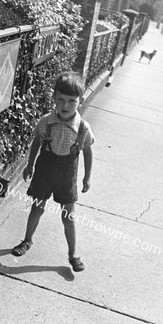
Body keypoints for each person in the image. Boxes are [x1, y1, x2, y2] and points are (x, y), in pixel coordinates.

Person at [11, 72, 95, 272]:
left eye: (71, 101)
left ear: (80, 101)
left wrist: (87, 177)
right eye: (60, 100)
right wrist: (29, 165)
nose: (65, 106)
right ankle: (27, 241)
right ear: (54, 98)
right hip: (45, 171)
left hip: (67, 175)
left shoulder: (83, 127)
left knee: (68, 216)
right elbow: (36, 143)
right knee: (37, 208)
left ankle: (73, 254)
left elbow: (87, 152)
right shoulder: (45, 121)